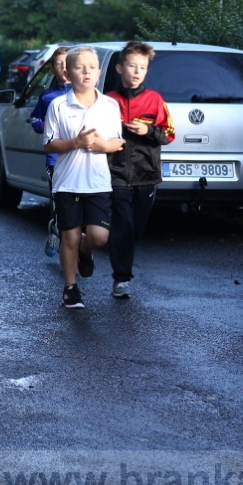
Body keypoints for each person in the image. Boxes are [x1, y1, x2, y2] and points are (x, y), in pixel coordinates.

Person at [42, 46, 125, 308]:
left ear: (100, 73)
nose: (87, 71)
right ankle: (70, 288)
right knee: (70, 237)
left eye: (92, 67)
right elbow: (49, 144)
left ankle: (86, 250)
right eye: (80, 67)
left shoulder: (109, 105)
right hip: (67, 182)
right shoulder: (58, 105)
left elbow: (116, 142)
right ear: (67, 73)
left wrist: (102, 145)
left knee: (99, 236)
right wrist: (76, 142)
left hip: (98, 182)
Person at [105, 41, 174, 299]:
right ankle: (121, 279)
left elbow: (169, 133)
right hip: (116, 172)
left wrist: (149, 130)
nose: (136, 72)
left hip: (147, 175)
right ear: (120, 68)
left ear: (146, 71)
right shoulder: (108, 101)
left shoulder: (154, 100)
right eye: (132, 66)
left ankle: (113, 246)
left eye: (142, 68)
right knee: (122, 224)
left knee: (135, 227)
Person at [28, 46, 70, 258]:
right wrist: (42, 124)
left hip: (80, 159)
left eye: (67, 64)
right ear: (52, 69)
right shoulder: (48, 96)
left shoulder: (86, 93)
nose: (64, 68)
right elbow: (34, 118)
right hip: (55, 159)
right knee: (59, 200)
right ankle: (56, 230)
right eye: (59, 64)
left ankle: (75, 240)